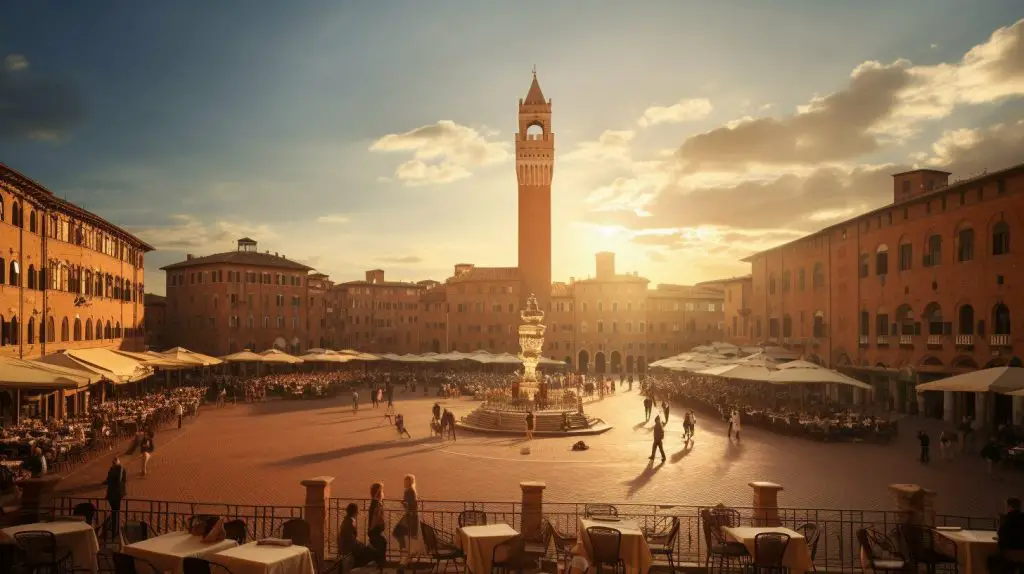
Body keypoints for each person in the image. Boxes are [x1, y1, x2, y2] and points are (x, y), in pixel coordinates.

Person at [340, 503, 382, 569]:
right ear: (355, 513)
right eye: (357, 512)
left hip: (348, 548)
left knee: (371, 551)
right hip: (350, 550)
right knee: (375, 553)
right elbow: (352, 542)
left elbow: (351, 540)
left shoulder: (346, 521)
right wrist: (364, 546)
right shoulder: (350, 523)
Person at [989, 497, 1024, 573]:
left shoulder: (1005, 518)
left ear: (1010, 507)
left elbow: (1000, 534)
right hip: (1022, 552)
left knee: (991, 559)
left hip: (1008, 553)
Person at [103, 456, 127, 540]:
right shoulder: (116, 469)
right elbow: (117, 480)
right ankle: (114, 531)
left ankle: (114, 531)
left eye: (114, 462)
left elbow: (117, 480)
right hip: (114, 494)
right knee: (115, 512)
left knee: (115, 512)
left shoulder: (117, 469)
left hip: (114, 494)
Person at [367, 483, 387, 569]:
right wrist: (371, 529)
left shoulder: (373, 503)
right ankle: (380, 566)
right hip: (376, 530)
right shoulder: (378, 504)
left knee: (379, 545)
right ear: (379, 493)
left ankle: (379, 565)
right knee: (382, 544)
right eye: (381, 491)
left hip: (374, 530)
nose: (382, 492)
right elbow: (375, 517)